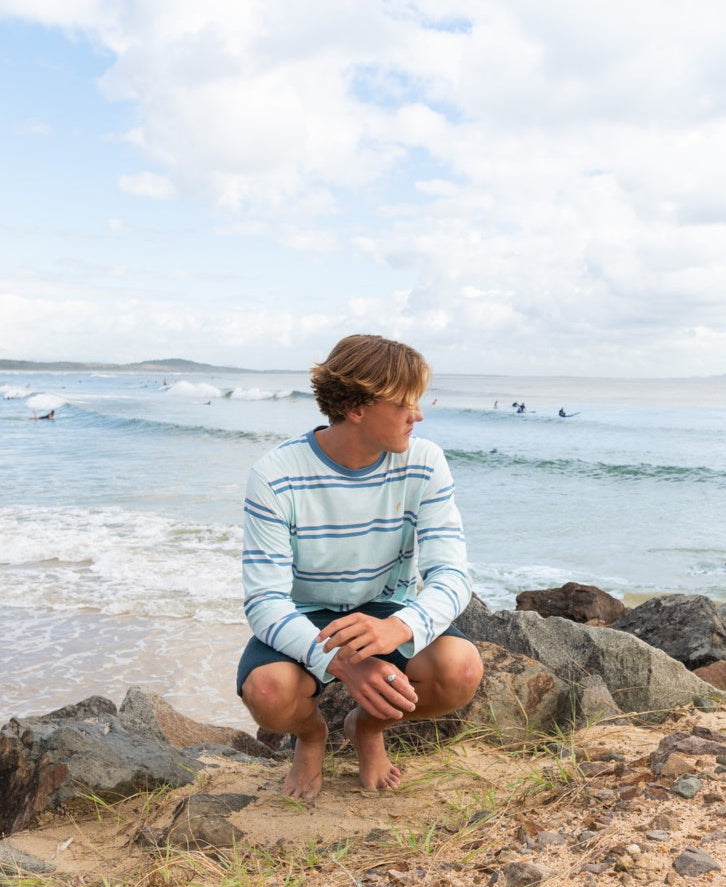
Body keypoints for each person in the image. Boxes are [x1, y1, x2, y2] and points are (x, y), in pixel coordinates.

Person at [237, 334, 483, 800]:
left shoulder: (425, 462)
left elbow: (452, 575)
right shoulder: (275, 475)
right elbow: (265, 601)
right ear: (357, 408)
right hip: (307, 613)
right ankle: (311, 737)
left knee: (461, 671)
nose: (419, 415)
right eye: (404, 403)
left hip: (387, 607)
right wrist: (344, 662)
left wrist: (400, 627)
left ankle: (365, 728)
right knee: (268, 693)